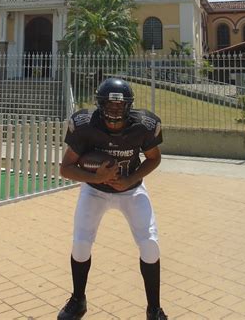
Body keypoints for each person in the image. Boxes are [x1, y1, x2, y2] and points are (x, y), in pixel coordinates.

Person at [57, 77, 167, 320]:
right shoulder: (85, 124)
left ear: (129, 106)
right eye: (109, 105)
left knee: (150, 245)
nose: (115, 110)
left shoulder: (144, 125)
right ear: (99, 105)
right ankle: (78, 300)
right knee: (81, 244)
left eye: (120, 105)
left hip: (132, 189)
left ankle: (154, 308)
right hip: (96, 191)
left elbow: (154, 157)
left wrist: (129, 180)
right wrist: (97, 178)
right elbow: (65, 168)